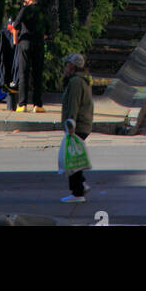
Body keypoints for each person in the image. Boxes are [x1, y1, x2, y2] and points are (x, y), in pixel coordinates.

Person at [60, 52, 93, 203]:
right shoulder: (79, 81)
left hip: (77, 125)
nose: (65, 68)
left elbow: (73, 104)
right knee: (75, 157)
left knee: (72, 160)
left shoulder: (75, 82)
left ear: (72, 66)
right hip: (82, 124)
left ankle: (77, 192)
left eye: (67, 65)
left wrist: (70, 124)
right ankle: (82, 184)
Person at [12, 0, 46, 112]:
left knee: (23, 73)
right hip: (39, 43)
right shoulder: (42, 11)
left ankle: (22, 104)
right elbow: (48, 30)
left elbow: (15, 26)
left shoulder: (25, 10)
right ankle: (37, 105)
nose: (23, 1)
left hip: (25, 42)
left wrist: (15, 41)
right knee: (38, 74)